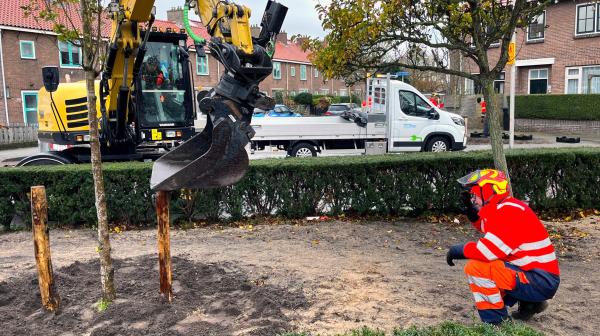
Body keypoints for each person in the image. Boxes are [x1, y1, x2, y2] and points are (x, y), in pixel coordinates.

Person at [446, 169, 560, 325]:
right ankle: (531, 303)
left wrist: (457, 250)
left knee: (477, 268)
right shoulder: (507, 207)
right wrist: (472, 214)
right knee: (493, 267)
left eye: (476, 195)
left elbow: (487, 251)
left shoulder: (508, 212)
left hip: (539, 280)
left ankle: (497, 323)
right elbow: (491, 230)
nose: (474, 200)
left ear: (490, 192)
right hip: (538, 277)